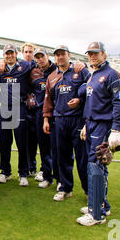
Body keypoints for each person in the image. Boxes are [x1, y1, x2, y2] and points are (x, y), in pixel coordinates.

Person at [76, 42, 120, 226]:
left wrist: (116, 130)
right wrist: (85, 124)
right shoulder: (93, 75)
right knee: (97, 165)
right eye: (90, 53)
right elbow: (91, 103)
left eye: (96, 53)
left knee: (95, 166)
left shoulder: (112, 75)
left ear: (104, 54)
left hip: (103, 127)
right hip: (91, 125)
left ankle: (96, 214)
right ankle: (101, 204)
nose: (92, 56)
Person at [43, 45, 90, 201]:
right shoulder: (52, 76)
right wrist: (46, 119)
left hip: (77, 120)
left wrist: (80, 100)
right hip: (59, 120)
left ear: (68, 55)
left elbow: (91, 91)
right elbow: (48, 100)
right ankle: (65, 188)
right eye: (57, 55)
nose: (60, 57)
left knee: (82, 158)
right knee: (62, 157)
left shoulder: (80, 71)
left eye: (62, 54)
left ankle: (89, 190)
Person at [0, 44, 35, 186]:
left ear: (16, 53)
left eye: (11, 53)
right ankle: (5, 172)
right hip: (5, 109)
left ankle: (23, 173)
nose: (9, 56)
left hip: (19, 107)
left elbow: (43, 63)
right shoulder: (0, 68)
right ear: (4, 55)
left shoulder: (25, 65)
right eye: (6, 53)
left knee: (21, 142)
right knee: (5, 142)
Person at [27, 47, 58, 189]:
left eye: (42, 56)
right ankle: (47, 176)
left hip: (57, 113)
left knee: (58, 148)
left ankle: (60, 179)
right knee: (44, 147)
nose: (40, 59)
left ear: (47, 56)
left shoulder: (58, 69)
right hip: (40, 113)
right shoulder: (33, 71)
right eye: (37, 57)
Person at [21, 42, 39, 177]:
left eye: (30, 52)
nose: (28, 54)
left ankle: (35, 167)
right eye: (26, 52)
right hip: (23, 107)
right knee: (25, 139)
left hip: (38, 107)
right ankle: (27, 167)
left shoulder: (39, 66)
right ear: (22, 53)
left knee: (37, 139)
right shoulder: (19, 66)